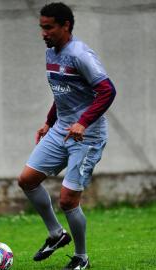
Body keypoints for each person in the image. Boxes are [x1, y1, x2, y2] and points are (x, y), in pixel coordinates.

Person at [18, 2, 116, 269]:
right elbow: (63, 92)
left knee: (68, 199)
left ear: (66, 26)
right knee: (27, 180)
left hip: (87, 136)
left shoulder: (81, 55)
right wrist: (49, 122)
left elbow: (107, 91)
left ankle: (81, 258)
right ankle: (56, 234)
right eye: (41, 27)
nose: (43, 33)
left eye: (48, 28)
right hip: (61, 129)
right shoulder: (52, 53)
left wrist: (83, 123)